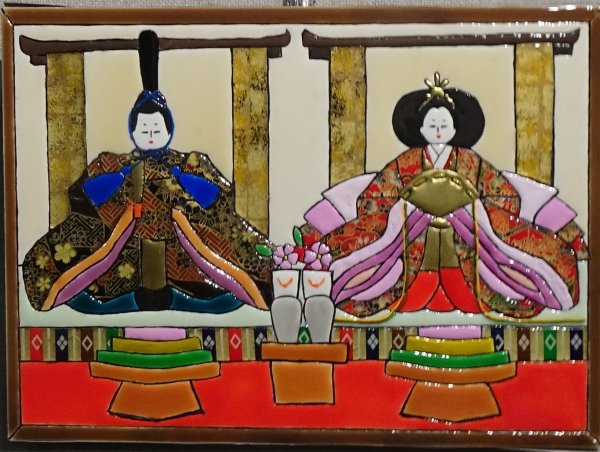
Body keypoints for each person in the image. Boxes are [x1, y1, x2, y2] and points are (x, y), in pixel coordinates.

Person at [22, 30, 273, 313]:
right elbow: (82, 196)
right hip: (125, 255)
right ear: (132, 130)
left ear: (168, 129)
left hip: (182, 255)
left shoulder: (189, 163)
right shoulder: (111, 164)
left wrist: (182, 216)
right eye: (144, 128)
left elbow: (218, 199)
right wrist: (124, 216)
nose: (151, 134)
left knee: (232, 253)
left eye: (156, 128)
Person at [302, 72, 588, 319]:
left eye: (444, 124)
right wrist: (406, 211)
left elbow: (505, 195)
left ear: (454, 128)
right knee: (363, 251)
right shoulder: (407, 162)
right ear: (420, 129)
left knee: (516, 252)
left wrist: (471, 211)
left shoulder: (470, 161)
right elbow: (375, 197)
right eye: (432, 125)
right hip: (410, 238)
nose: (438, 130)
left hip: (467, 236)